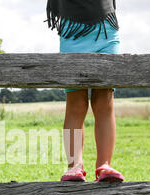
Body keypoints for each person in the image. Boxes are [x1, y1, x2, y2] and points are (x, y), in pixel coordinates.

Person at [47, 0, 125, 183]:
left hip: (106, 27)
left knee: (104, 100)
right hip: (71, 29)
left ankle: (104, 164)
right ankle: (74, 165)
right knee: (76, 103)